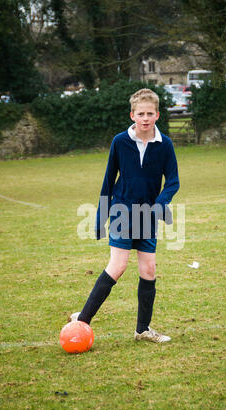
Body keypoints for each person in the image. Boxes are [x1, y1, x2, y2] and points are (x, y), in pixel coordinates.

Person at [70, 88, 180, 343]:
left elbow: (173, 181)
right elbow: (109, 181)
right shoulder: (120, 141)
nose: (145, 118)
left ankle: (142, 330)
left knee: (149, 270)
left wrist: (160, 203)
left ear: (157, 115)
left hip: (148, 216)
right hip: (122, 212)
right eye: (140, 113)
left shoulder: (165, 145)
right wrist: (100, 217)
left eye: (149, 113)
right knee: (118, 267)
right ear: (132, 115)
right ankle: (81, 322)